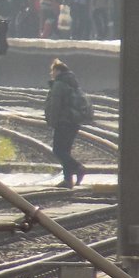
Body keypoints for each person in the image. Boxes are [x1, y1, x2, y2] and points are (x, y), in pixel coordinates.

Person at [44, 58, 87, 188]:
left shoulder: (59, 84)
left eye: (53, 71)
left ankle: (78, 168)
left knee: (58, 150)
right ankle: (68, 180)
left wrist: (53, 121)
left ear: (57, 70)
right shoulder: (73, 83)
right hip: (74, 122)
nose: (52, 74)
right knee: (65, 151)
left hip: (63, 122)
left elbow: (55, 105)